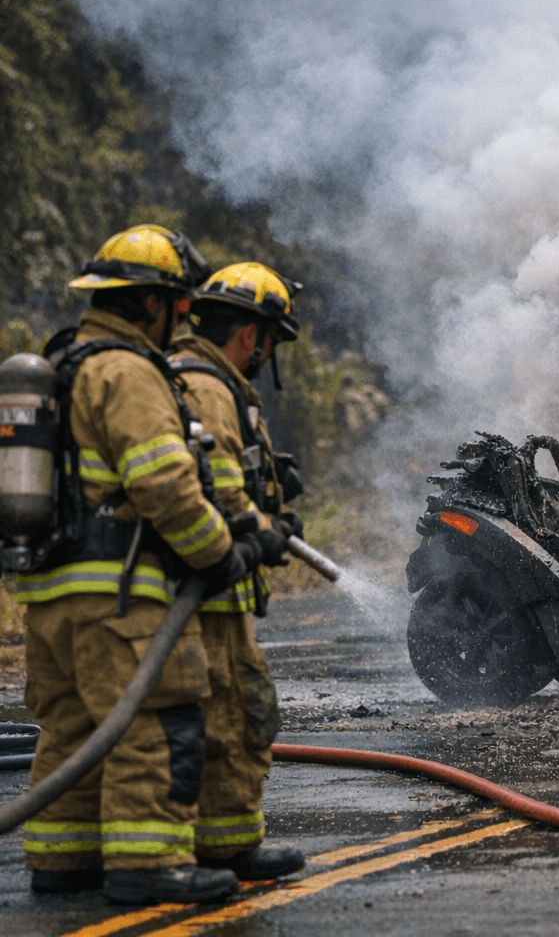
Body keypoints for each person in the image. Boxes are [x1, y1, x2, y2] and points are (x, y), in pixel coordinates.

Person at [18, 225, 288, 904]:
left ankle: (64, 861)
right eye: (174, 303)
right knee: (154, 725)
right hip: (119, 596)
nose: (180, 318)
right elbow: (164, 483)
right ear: (150, 303)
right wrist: (221, 552)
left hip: (52, 595)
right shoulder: (129, 372)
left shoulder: (66, 362)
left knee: (73, 730)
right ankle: (150, 866)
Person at [168, 263, 306, 882]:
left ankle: (227, 843)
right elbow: (221, 491)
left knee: (228, 715)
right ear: (250, 336)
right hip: (211, 586)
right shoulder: (210, 386)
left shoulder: (197, 380)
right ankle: (220, 849)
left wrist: (272, 487)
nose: (266, 353)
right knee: (231, 716)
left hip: (208, 584)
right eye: (270, 339)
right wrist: (266, 531)